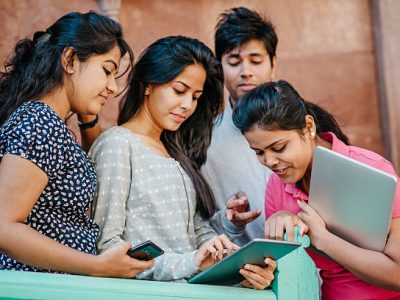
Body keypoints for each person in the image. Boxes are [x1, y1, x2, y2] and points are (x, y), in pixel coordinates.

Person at [90, 36, 275, 289]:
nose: (187, 105)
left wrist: (232, 260)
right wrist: (190, 262)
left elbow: (195, 232)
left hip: (192, 291)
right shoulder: (118, 144)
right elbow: (108, 245)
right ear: (148, 85)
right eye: (179, 90)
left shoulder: (175, 151)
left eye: (196, 96)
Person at [0, 11, 153, 277]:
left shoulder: (49, 123)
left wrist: (88, 113)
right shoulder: (41, 121)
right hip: (35, 287)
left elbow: (91, 165)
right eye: (106, 71)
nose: (112, 88)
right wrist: (97, 266)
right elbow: (4, 227)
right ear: (70, 60)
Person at [232, 80, 400, 299]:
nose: (270, 161)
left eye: (278, 147)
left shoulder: (373, 170)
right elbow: (281, 273)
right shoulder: (276, 187)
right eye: (259, 152)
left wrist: (324, 239)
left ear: (309, 127)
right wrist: (263, 271)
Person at [201, 7, 278, 245]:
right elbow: (199, 225)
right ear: (219, 67)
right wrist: (229, 219)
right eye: (234, 61)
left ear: (273, 63)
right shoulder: (204, 141)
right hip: (245, 274)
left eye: (256, 61)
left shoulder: (303, 127)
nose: (246, 72)